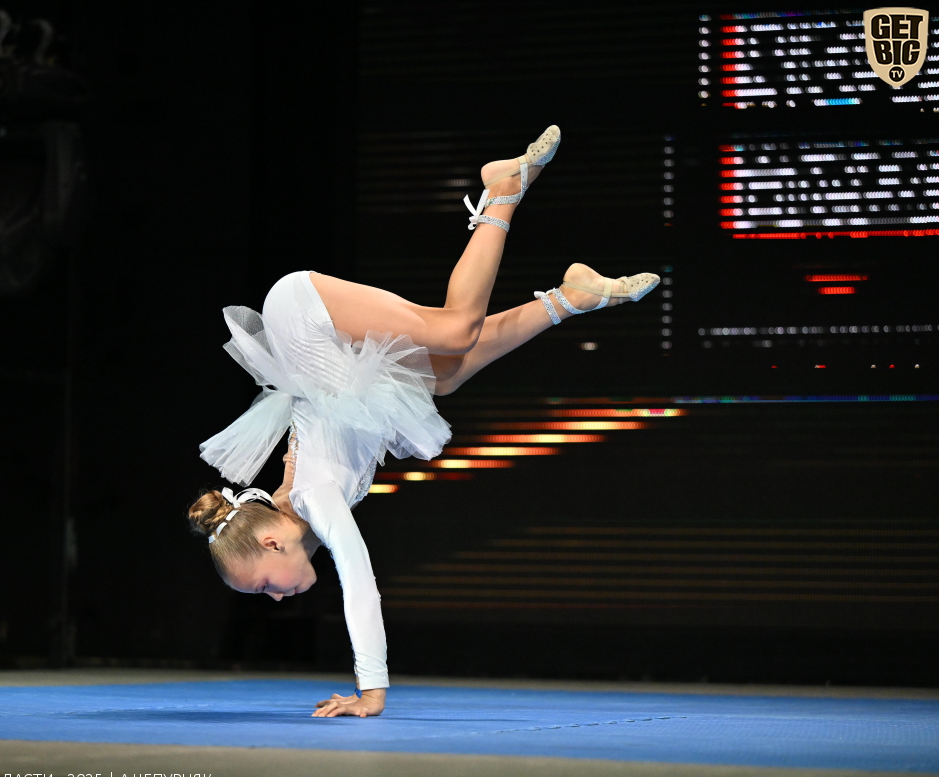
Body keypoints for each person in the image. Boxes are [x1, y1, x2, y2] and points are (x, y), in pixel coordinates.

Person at [188, 126, 658, 718]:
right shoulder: (299, 502)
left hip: (305, 319)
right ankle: (571, 297)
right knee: (447, 375)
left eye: (263, 584)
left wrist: (372, 691)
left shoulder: (313, 500)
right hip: (328, 361)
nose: (275, 596)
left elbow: (360, 581)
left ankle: (502, 190)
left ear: (271, 541)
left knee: (454, 329)